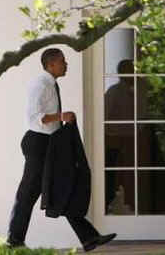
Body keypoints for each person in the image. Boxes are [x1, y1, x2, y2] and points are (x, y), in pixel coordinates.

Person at [7, 48, 116, 252]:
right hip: (38, 143)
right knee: (28, 193)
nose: (66, 65)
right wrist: (61, 116)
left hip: (50, 143)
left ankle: (89, 238)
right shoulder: (40, 84)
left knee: (64, 187)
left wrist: (61, 120)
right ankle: (14, 241)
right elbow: (34, 116)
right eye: (63, 61)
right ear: (51, 64)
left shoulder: (50, 83)